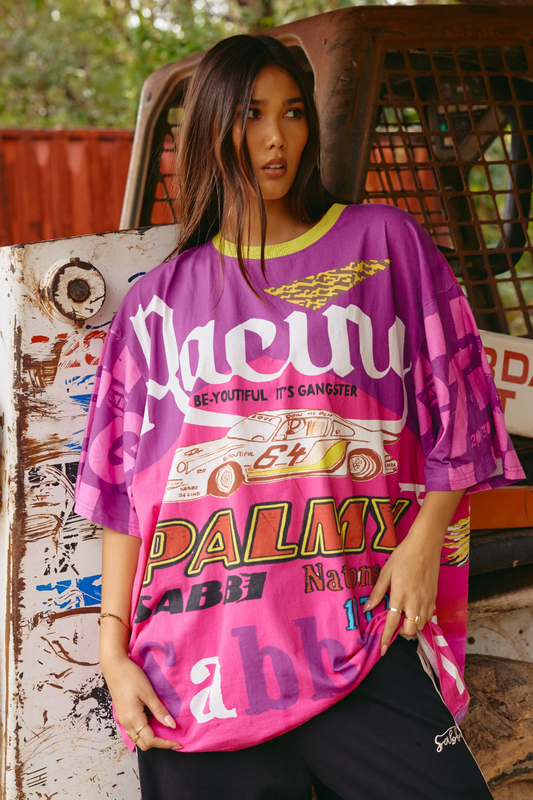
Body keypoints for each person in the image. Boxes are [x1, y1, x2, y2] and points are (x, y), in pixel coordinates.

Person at [74, 34, 524, 800]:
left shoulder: (383, 245)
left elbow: (459, 404)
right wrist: (112, 654)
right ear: (212, 125)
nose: (276, 137)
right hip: (198, 676)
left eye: (292, 113)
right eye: (251, 114)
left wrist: (423, 541)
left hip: (359, 634)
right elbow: (123, 496)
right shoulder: (155, 306)